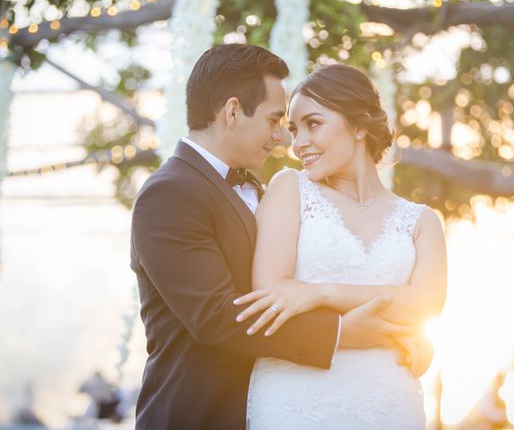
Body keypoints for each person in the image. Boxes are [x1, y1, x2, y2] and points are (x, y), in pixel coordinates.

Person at [130, 45, 423, 429]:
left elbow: (304, 280)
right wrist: (343, 334)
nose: (280, 139)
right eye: (274, 121)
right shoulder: (169, 193)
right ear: (233, 111)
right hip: (199, 414)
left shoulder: (264, 191)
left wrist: (398, 338)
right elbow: (215, 316)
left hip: (276, 404)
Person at [235, 64, 448, 429]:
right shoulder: (290, 189)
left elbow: (425, 304)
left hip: (390, 402)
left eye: (313, 124)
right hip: (296, 401)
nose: (298, 142)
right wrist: (389, 307)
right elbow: (271, 291)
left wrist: (320, 292)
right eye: (293, 129)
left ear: (360, 125)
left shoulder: (422, 222)